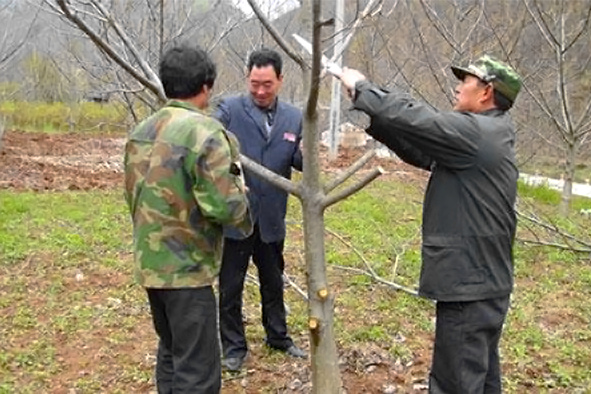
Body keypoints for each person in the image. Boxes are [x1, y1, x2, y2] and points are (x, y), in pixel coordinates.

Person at [339, 55, 522, 393]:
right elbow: (423, 151)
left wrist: (365, 88)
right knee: (480, 380)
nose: (457, 86)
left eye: (466, 81)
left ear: (486, 92)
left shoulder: (476, 133)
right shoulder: (490, 134)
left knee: (456, 383)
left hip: (471, 284)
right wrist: (372, 112)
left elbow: (420, 118)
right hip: (483, 283)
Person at [124, 43, 252, 393]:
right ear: (207, 86)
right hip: (188, 271)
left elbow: (132, 194)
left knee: (171, 353)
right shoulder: (205, 132)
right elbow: (224, 206)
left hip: (151, 265)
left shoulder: (141, 131)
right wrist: (242, 199)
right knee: (197, 371)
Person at [214, 48, 306, 372]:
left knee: (273, 280)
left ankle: (278, 337)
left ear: (281, 80)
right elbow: (210, 148)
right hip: (237, 216)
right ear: (247, 78)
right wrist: (231, 179)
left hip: (271, 218)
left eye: (267, 84)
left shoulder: (295, 118)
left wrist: (310, 153)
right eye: (255, 83)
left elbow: (300, 161)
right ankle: (234, 348)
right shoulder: (229, 109)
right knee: (230, 286)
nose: (260, 91)